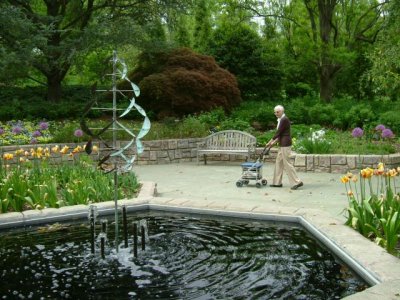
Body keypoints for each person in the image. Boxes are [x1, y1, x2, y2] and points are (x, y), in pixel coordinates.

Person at [265, 105, 303, 190]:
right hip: (282, 143)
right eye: (275, 112)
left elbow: (278, 132)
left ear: (282, 111)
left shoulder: (284, 119)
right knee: (279, 162)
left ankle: (297, 182)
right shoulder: (281, 119)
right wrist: (274, 142)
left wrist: (270, 141)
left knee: (287, 163)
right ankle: (277, 182)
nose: (275, 113)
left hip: (285, 144)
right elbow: (281, 133)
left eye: (277, 112)